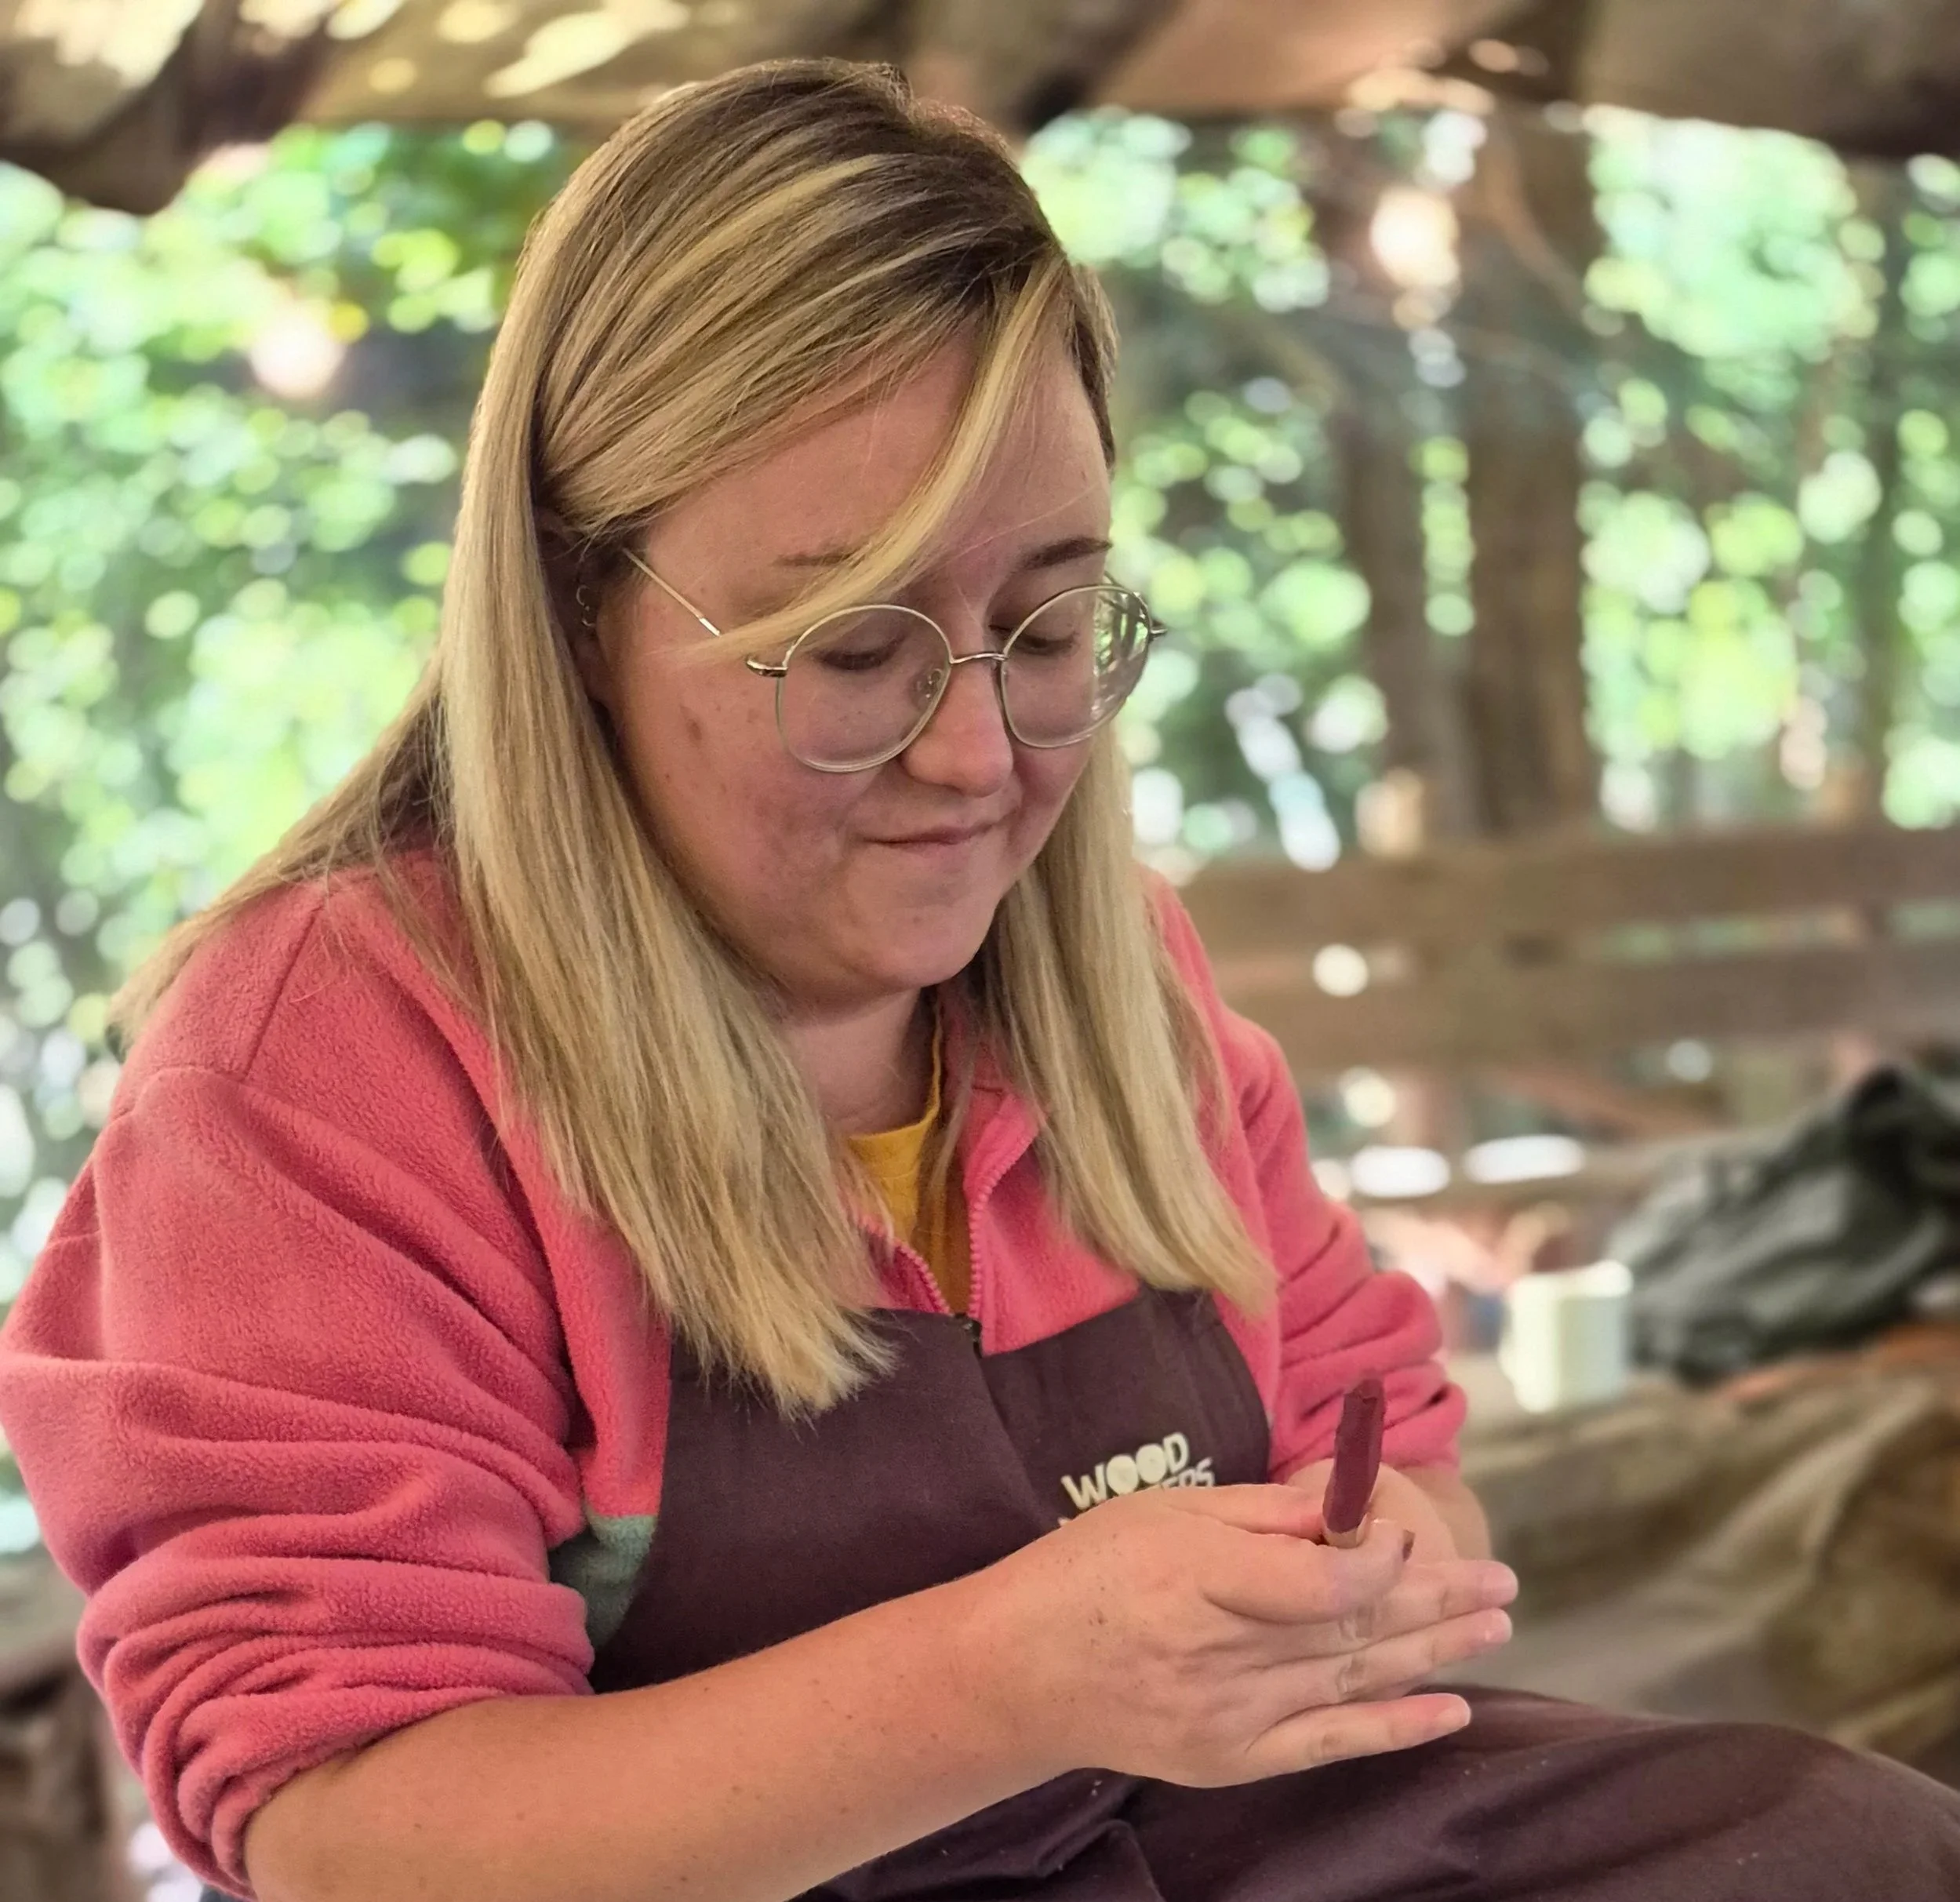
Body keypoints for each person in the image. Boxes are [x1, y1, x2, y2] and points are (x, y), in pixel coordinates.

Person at [2, 58, 1957, 1902]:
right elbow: (353, 1836)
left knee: (1849, 1844)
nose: (975, 755)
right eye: (852, 650)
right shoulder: (326, 1061)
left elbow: (1397, 1449)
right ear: (579, 606)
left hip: (1193, 1847)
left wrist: (1366, 1583)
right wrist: (1011, 1679)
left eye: (1045, 625)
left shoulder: (1112, 987)